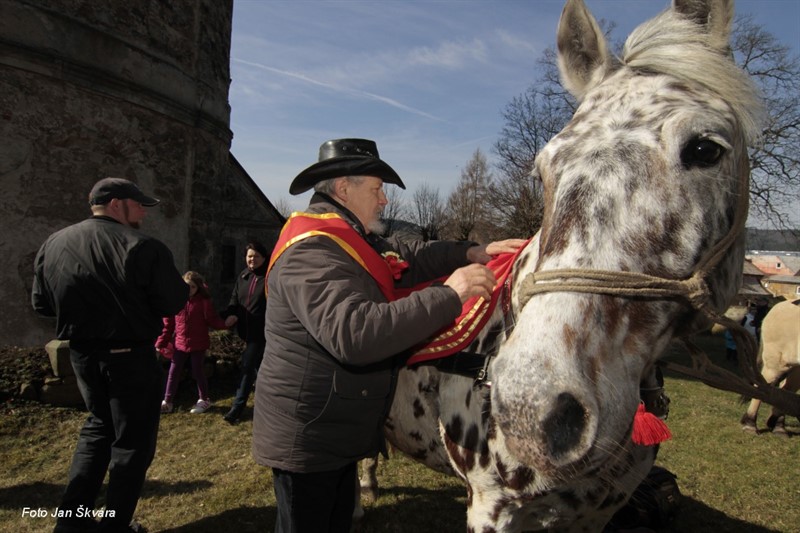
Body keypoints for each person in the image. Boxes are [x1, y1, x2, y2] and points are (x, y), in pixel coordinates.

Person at [251, 138, 525, 533]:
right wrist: (450, 294)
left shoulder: (350, 238)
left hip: (334, 431)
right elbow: (356, 334)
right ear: (344, 189)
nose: (384, 201)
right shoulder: (310, 251)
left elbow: (408, 255)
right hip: (308, 439)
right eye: (377, 189)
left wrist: (472, 252)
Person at [31, 177, 188, 533]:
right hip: (129, 357)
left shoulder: (53, 243)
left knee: (97, 429)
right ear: (118, 204)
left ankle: (70, 525)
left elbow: (41, 304)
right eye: (139, 207)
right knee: (132, 445)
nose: (143, 216)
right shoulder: (143, 246)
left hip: (84, 355)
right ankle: (115, 526)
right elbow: (173, 300)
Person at [157, 271, 229, 414]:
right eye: (186, 286)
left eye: (193, 287)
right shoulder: (176, 301)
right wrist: (161, 341)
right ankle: (168, 401)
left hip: (198, 343)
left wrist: (226, 324)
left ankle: (204, 399)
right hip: (180, 343)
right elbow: (168, 325)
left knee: (198, 371)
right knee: (173, 371)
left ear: (198, 288)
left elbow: (212, 320)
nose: (189, 290)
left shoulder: (203, 301)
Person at [221, 241, 269, 424]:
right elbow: (234, 300)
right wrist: (231, 314)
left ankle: (236, 410)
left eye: (256, 256)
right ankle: (271, 405)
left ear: (264, 258)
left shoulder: (269, 278)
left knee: (247, 367)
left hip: (261, 333)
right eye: (250, 256)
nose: (252, 259)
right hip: (245, 333)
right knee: (260, 370)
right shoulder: (243, 276)